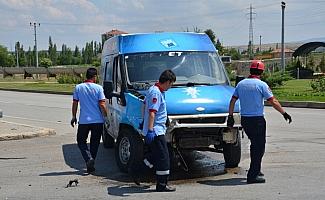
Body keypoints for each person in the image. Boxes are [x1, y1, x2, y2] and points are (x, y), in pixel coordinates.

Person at [227, 60, 292, 184]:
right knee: (259, 147)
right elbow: (273, 101)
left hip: (245, 120)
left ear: (251, 70)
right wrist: (284, 113)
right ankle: (253, 175)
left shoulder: (241, 84)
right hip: (257, 120)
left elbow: (233, 100)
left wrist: (230, 116)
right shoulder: (261, 85)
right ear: (261, 72)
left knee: (254, 145)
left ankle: (256, 169)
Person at [137, 69, 177, 192]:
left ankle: (137, 171)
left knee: (155, 155)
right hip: (156, 131)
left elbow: (144, 105)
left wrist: (143, 122)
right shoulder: (156, 93)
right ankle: (162, 184)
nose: (170, 87)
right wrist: (150, 130)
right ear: (168, 81)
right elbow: (152, 112)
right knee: (164, 158)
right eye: (171, 84)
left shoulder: (152, 89)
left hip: (155, 129)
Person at [71, 67, 109, 174]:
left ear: (86, 76)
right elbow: (102, 104)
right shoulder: (98, 88)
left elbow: (75, 103)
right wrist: (106, 117)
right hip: (97, 121)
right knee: (95, 142)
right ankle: (91, 161)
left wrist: (74, 116)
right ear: (95, 76)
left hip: (84, 121)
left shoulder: (78, 87)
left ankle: (88, 160)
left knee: (81, 141)